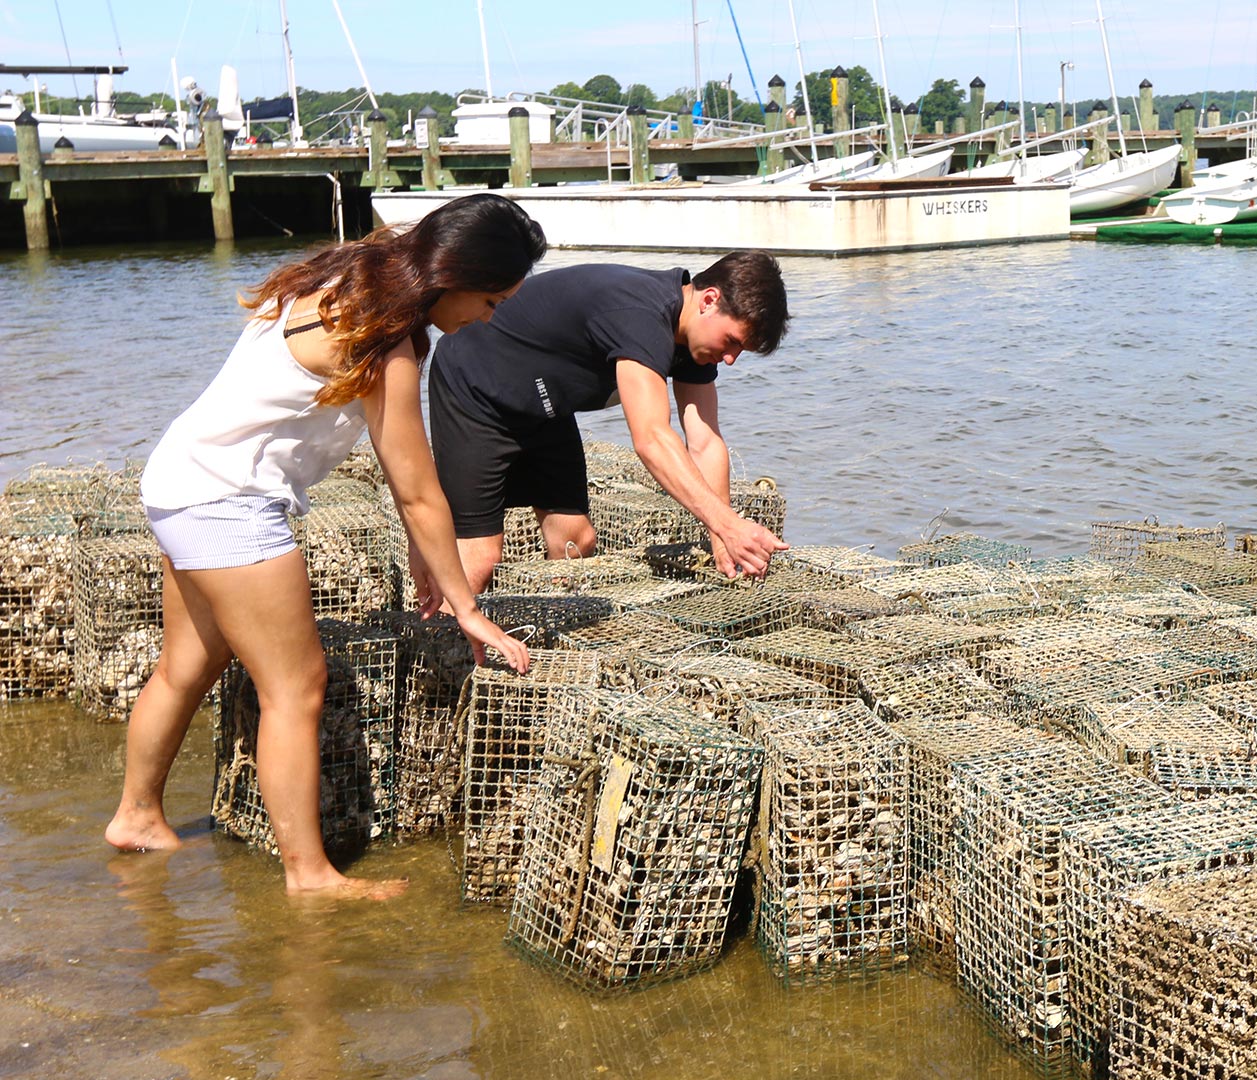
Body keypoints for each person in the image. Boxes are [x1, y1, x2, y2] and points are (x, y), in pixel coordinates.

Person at [105, 193, 546, 900]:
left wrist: (421, 555)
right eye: (492, 301)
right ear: (454, 278)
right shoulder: (386, 340)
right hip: (228, 501)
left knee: (187, 664)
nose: (488, 318)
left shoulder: (348, 273)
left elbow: (403, 482)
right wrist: (467, 606)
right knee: (298, 688)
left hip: (179, 479)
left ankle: (137, 817)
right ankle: (309, 876)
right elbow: (417, 487)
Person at [425, 253, 790, 593]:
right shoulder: (641, 315)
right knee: (479, 562)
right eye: (732, 342)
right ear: (709, 300)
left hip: (544, 406)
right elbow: (651, 439)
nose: (729, 359)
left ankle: (552, 646)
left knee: (576, 543)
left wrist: (720, 533)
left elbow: (705, 441)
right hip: (475, 385)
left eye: (739, 352)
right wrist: (728, 524)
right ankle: (439, 652)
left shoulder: (695, 341)